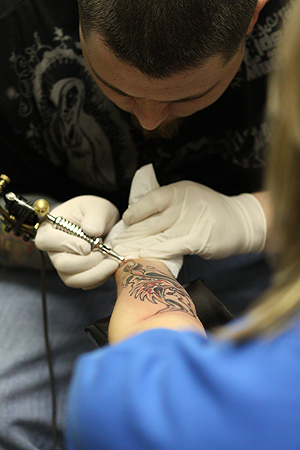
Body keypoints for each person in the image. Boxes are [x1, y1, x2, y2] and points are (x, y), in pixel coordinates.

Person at [0, 0, 290, 449]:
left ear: (254, 15)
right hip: (61, 282)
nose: (148, 119)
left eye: (187, 96)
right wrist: (33, 228)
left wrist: (257, 218)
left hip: (266, 255)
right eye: (117, 88)